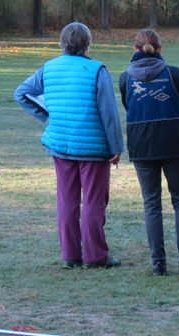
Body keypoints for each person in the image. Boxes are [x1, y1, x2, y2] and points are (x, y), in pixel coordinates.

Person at [14, 22, 124, 270]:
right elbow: (109, 113)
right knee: (94, 201)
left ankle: (71, 255)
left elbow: (22, 93)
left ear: (62, 43)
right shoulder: (97, 70)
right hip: (93, 147)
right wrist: (116, 146)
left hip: (61, 144)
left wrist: (49, 116)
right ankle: (95, 256)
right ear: (88, 43)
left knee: (66, 200)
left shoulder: (49, 68)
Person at [119, 29, 179, 277]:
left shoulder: (125, 77)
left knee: (151, 204)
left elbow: (128, 106)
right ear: (160, 49)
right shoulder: (173, 73)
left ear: (135, 49)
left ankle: (158, 264)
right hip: (174, 141)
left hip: (141, 144)